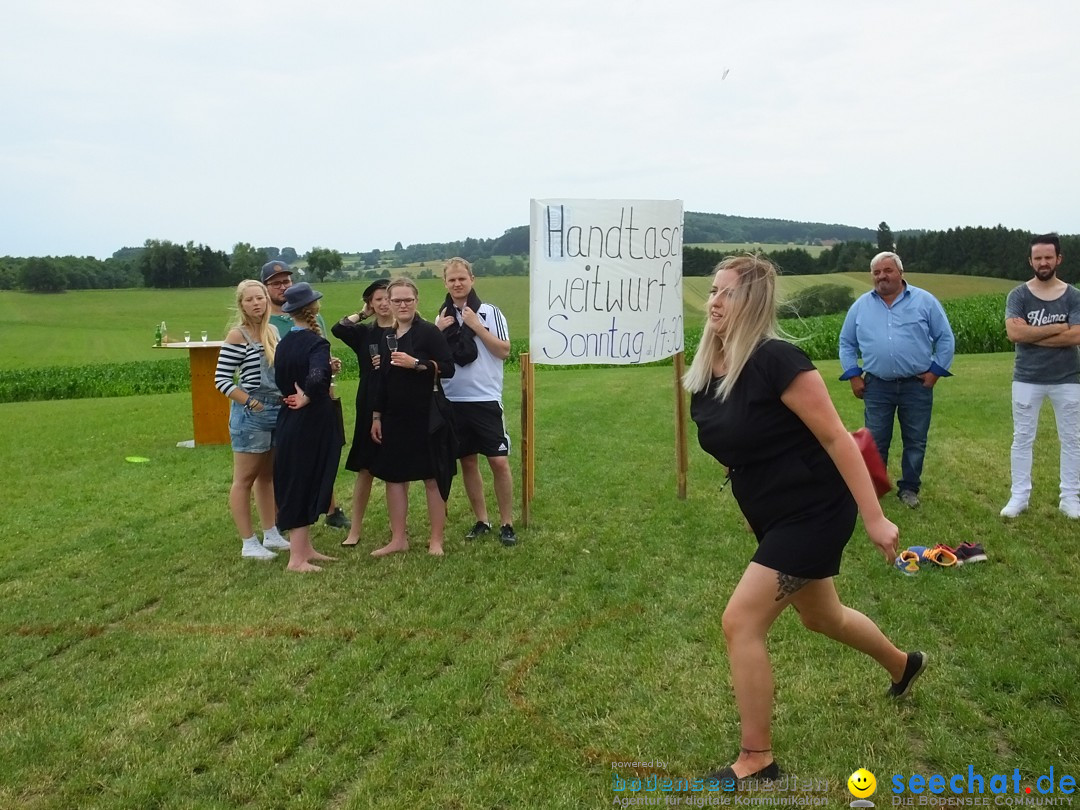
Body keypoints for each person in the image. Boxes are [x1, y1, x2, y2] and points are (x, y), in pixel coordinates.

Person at [684, 255, 926, 783]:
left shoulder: (778, 359)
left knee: (740, 622)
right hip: (772, 513)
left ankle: (757, 758)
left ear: (752, 302)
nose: (715, 302)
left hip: (814, 511)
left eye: (727, 293)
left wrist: (875, 517)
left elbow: (838, 439)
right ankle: (903, 664)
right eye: (714, 291)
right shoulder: (708, 372)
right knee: (823, 617)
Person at [838, 251, 955, 509]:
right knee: (876, 439)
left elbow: (945, 338)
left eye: (887, 270)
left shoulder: (925, 302)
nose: (882, 276)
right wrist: (853, 375)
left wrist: (936, 371)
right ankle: (873, 491)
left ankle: (909, 488)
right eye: (877, 272)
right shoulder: (860, 307)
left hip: (916, 385)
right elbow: (846, 343)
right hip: (877, 385)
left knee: (915, 439)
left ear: (901, 273)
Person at [369, 278, 456, 557]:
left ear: (416, 301)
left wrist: (417, 364)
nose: (402, 305)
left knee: (432, 477)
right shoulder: (386, 337)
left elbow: (449, 367)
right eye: (397, 301)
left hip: (426, 415)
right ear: (389, 303)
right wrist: (376, 416)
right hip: (394, 417)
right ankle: (398, 539)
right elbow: (381, 380)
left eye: (408, 300)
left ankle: (436, 540)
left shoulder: (429, 333)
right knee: (394, 479)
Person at [261, 260, 351, 530]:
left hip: (312, 398)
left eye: (286, 281)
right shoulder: (265, 320)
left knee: (320, 456)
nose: (282, 286)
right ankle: (283, 516)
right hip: (282, 398)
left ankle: (329, 508)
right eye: (276, 283)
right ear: (266, 288)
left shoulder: (314, 322)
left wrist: (328, 368)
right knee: (286, 464)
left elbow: (319, 356)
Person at [435, 257, 517, 546]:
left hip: (485, 397)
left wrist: (477, 327)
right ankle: (482, 519)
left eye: (462, 278)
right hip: (454, 398)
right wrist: (440, 331)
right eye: (452, 280)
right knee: (468, 462)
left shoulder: (490, 313)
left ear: (472, 280)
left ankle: (507, 522)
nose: (457, 284)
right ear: (445, 283)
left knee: (498, 461)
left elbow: (504, 351)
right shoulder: (441, 316)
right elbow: (438, 358)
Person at [1001, 233, 1080, 519]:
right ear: (1030, 260)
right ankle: (1019, 496)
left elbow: (1077, 336)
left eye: (1049, 257)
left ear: (1058, 258)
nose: (1043, 262)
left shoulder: (1073, 296)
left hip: (1068, 379)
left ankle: (1070, 497)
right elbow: (1014, 333)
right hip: (1026, 378)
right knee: (1022, 438)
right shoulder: (1018, 295)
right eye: (1038, 258)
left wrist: (1032, 336)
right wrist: (1060, 327)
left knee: (1072, 439)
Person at [213, 279, 291, 559]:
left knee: (267, 477)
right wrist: (252, 402)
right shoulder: (238, 336)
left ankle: (271, 533)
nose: (257, 303)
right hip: (252, 415)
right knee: (244, 479)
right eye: (250, 300)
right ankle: (249, 542)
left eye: (260, 298)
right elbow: (221, 380)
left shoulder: (271, 331)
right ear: (241, 305)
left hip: (277, 409)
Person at [273, 282, 342, 573]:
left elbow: (283, 378)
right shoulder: (317, 342)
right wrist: (308, 396)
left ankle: (305, 549)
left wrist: (325, 371)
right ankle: (296, 560)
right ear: (313, 308)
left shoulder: (285, 341)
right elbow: (315, 377)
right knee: (304, 480)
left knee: (298, 478)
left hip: (288, 418)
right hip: (311, 419)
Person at [331, 279, 394, 547]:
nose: (383, 303)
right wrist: (363, 314)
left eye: (387, 298)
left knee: (395, 470)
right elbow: (338, 328)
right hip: (368, 403)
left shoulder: (405, 330)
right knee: (365, 468)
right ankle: (354, 529)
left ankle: (397, 529)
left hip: (398, 404)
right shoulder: (364, 333)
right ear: (370, 303)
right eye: (377, 299)